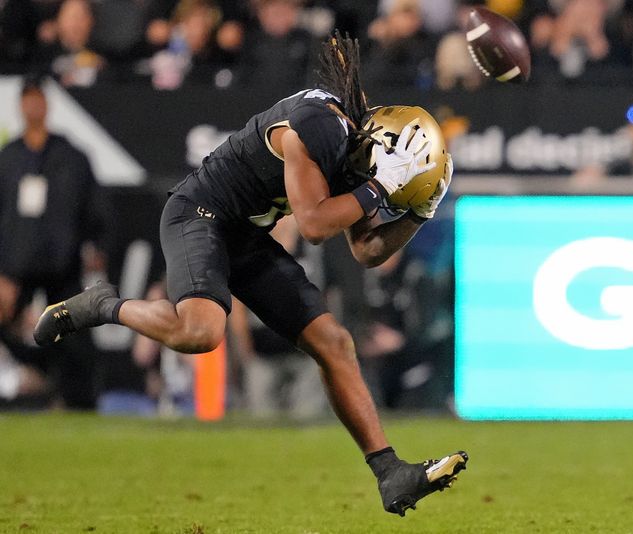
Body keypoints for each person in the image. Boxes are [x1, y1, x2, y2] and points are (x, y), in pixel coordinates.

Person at [33, 33, 467, 516]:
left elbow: (365, 251)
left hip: (244, 233)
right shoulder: (319, 127)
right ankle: (104, 304)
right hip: (199, 213)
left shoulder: (353, 148)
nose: (386, 186)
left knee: (334, 342)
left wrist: (415, 214)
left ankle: (389, 472)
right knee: (199, 333)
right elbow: (314, 225)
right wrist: (379, 190)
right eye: (396, 179)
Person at [0, 75, 108, 408]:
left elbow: (94, 207)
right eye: (27, 99)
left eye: (38, 98)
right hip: (16, 265)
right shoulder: (9, 158)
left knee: (75, 334)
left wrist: (98, 245)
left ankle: (80, 401)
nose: (33, 105)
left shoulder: (71, 156)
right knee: (6, 320)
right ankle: (41, 376)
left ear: (47, 104)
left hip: (62, 262)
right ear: (20, 105)